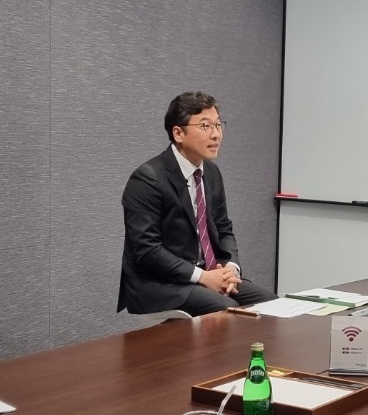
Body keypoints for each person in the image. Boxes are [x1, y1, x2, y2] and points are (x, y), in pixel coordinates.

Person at [118, 92, 277, 316]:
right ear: (178, 133)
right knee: (227, 312)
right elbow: (147, 250)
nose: (216, 134)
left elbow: (224, 228)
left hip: (208, 272)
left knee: (271, 305)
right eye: (205, 126)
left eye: (218, 125)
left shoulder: (211, 173)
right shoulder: (147, 179)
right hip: (158, 282)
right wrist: (203, 277)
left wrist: (231, 269)